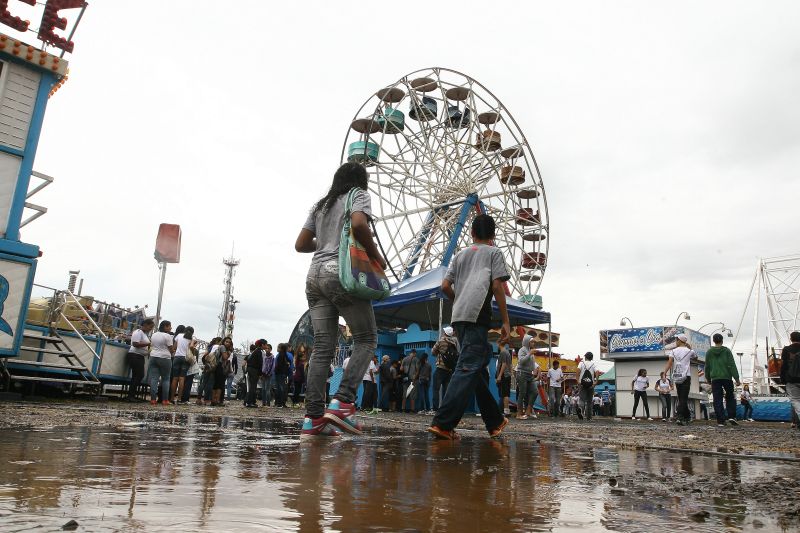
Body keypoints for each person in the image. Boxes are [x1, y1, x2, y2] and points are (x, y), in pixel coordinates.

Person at [294, 162, 383, 438]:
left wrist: (323, 244)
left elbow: (300, 244)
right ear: (360, 180)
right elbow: (358, 224)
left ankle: (313, 418)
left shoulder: (321, 206)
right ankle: (343, 401)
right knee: (367, 338)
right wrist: (375, 254)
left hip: (314, 276)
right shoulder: (358, 195)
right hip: (341, 273)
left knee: (322, 347)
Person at [428, 214, 510, 440]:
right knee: (467, 368)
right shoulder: (494, 253)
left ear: (472, 233)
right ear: (493, 236)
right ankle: (443, 423)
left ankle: (494, 421)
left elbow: (445, 286)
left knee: (476, 368)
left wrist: (460, 299)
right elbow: (497, 287)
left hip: (458, 317)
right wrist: (505, 320)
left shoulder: (459, 255)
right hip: (477, 317)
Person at [704, 332, 740, 427]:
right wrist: (736, 378)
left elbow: (707, 366)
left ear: (714, 341)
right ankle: (731, 416)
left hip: (715, 378)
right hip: (727, 377)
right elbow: (732, 365)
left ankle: (720, 420)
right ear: (722, 341)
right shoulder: (727, 351)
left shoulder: (709, 352)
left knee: (717, 399)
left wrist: (708, 378)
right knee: (730, 397)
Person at [663, 333, 697, 426]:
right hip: (686, 376)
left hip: (677, 376)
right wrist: (690, 348)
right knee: (683, 398)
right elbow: (695, 358)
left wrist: (665, 373)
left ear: (679, 340)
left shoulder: (673, 351)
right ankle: (681, 417)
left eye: (676, 340)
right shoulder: (690, 351)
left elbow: (669, 364)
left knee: (681, 397)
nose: (675, 342)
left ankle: (684, 416)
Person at [125, 318, 154, 401]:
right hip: (135, 355)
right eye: (150, 327)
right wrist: (149, 343)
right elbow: (135, 343)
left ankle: (132, 395)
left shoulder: (144, 334)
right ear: (145, 325)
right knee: (139, 375)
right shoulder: (138, 332)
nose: (150, 329)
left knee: (136, 376)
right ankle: (131, 395)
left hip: (139, 356)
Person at [148, 320, 175, 406]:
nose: (171, 328)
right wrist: (173, 351)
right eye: (169, 326)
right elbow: (171, 349)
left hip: (153, 356)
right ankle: (165, 400)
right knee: (166, 379)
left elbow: (152, 345)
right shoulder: (167, 336)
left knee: (154, 379)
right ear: (165, 327)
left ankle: (153, 400)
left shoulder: (154, 334)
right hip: (165, 358)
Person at [170, 326, 197, 403]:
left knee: (175, 378)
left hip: (177, 357)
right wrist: (192, 352)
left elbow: (174, 347)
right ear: (192, 332)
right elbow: (192, 346)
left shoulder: (179, 335)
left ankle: (172, 398)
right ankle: (179, 398)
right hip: (186, 358)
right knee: (182, 378)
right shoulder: (193, 338)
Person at [780, 331, 800, 430]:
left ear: (791, 339)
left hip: (791, 378)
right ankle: (796, 421)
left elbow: (783, 365)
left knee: (795, 400)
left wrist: (782, 378)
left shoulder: (787, 349)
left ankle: (796, 421)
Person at [515, 334, 535, 420]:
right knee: (522, 393)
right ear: (527, 342)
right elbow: (521, 361)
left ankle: (528, 410)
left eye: (534, 342)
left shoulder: (531, 351)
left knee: (535, 391)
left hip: (529, 374)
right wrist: (529, 354)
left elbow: (532, 363)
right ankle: (519, 413)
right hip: (522, 373)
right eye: (532, 342)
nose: (533, 343)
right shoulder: (522, 350)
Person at [576, 352, 597, 420]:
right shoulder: (593, 364)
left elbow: (578, 371)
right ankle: (589, 417)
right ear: (591, 358)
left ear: (586, 357)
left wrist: (577, 380)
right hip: (590, 384)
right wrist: (595, 382)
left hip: (582, 383)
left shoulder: (581, 363)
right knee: (589, 401)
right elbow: (597, 372)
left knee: (582, 399)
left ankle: (580, 408)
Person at [213, 337, 233, 406]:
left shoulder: (220, 347)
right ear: (223, 341)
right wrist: (229, 353)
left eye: (229, 342)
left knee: (216, 384)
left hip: (218, 366)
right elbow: (225, 357)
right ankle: (217, 400)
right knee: (220, 384)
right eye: (226, 341)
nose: (228, 343)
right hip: (220, 367)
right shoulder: (223, 347)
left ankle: (214, 400)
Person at [245, 340, 266, 408]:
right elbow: (260, 363)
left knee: (252, 386)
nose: (266, 346)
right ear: (262, 345)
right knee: (253, 386)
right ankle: (250, 402)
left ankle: (250, 401)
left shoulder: (255, 351)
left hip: (250, 369)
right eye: (265, 345)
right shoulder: (259, 352)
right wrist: (260, 373)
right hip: (254, 370)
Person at [495, 340, 512, 416]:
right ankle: (506, 411)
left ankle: (506, 412)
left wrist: (499, 375)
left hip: (504, 375)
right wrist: (511, 373)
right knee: (506, 394)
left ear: (499, 344)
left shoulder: (503, 352)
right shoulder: (507, 352)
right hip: (507, 375)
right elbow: (510, 365)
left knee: (504, 394)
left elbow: (504, 364)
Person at [274, 343, 292, 407]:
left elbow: (278, 366)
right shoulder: (286, 355)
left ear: (281, 348)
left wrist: (276, 370)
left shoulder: (280, 356)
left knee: (279, 388)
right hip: (284, 373)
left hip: (279, 373)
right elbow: (289, 362)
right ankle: (282, 402)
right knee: (283, 388)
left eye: (278, 347)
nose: (277, 349)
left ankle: (279, 402)